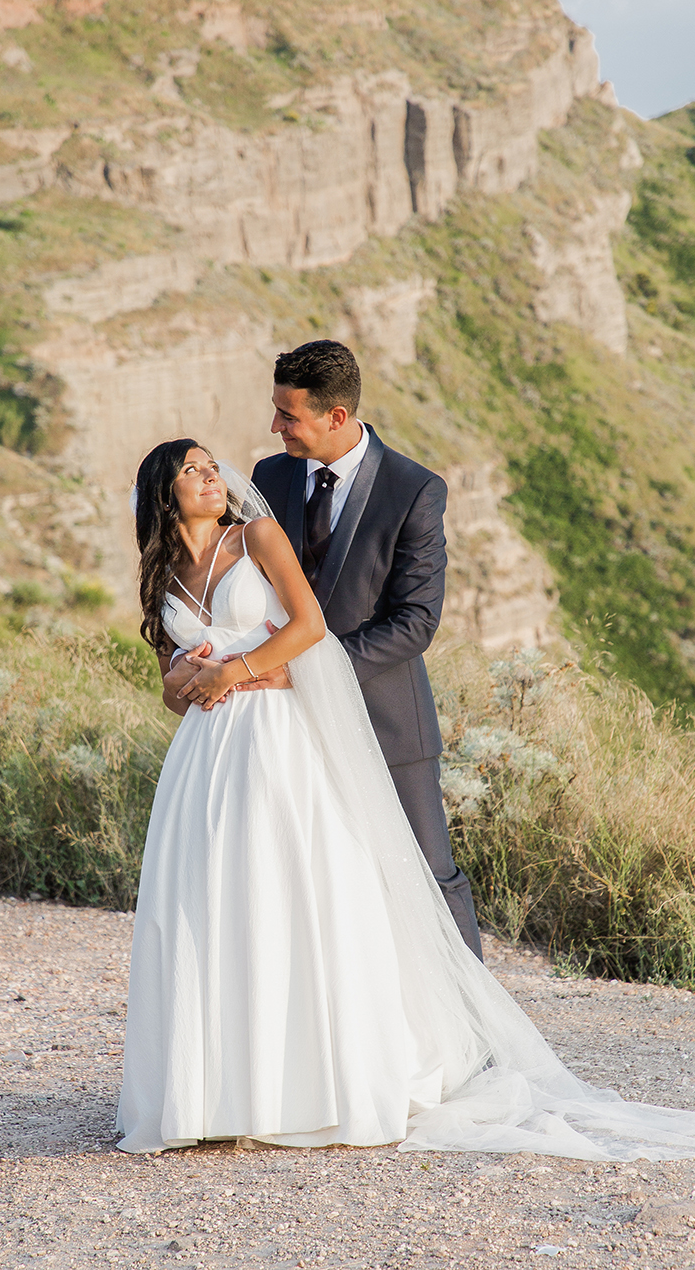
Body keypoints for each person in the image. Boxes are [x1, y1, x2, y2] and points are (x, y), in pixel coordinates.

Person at [115, 437, 695, 1160]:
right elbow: (173, 690)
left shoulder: (256, 534)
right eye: (193, 471)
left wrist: (233, 670)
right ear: (163, 494)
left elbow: (309, 627)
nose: (213, 476)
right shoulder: (165, 573)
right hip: (205, 760)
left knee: (294, 895)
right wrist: (185, 682)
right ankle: (221, 1088)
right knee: (215, 908)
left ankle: (313, 1086)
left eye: (211, 465)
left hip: (276, 739)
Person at [169, 340, 482, 960]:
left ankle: (478, 1039)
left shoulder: (414, 490)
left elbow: (416, 621)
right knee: (324, 887)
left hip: (384, 718)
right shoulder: (268, 476)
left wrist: (302, 669)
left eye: (289, 415)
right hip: (283, 732)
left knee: (426, 875)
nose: (274, 426)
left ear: (335, 417)